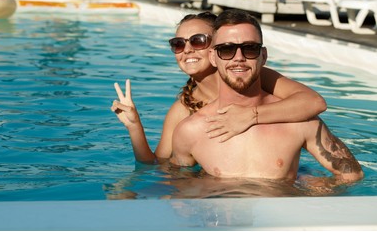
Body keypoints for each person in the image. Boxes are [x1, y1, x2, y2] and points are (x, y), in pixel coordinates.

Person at [170, 9, 363, 186]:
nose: (239, 58)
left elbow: (352, 175)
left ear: (263, 56)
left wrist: (310, 191)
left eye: (250, 49)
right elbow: (179, 187)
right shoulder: (190, 131)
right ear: (213, 57)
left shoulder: (298, 121)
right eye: (227, 50)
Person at [111, 12, 327, 164]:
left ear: (218, 48)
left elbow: (314, 102)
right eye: (178, 44)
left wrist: (250, 116)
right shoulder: (184, 109)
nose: (186, 50)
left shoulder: (254, 77)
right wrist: (134, 127)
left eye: (197, 41)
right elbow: (159, 165)